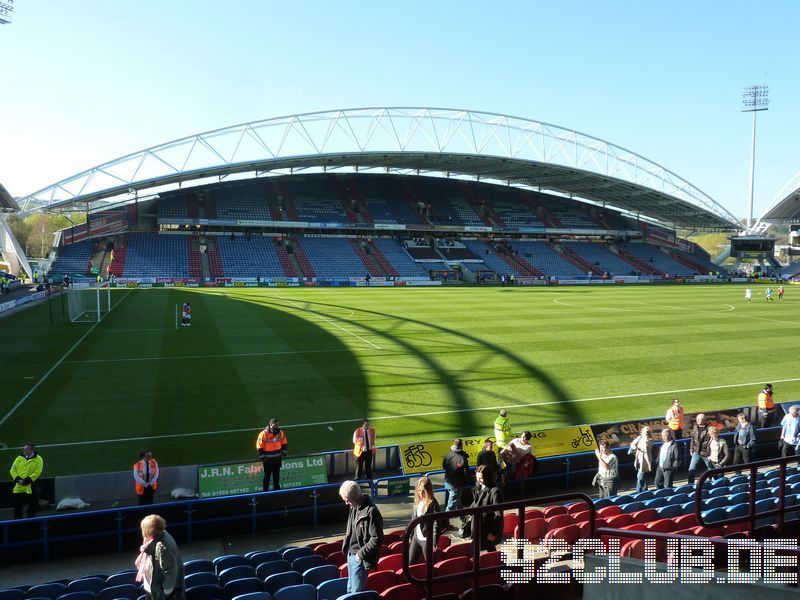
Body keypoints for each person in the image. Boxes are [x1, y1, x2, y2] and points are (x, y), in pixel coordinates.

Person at [339, 480, 384, 594]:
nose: (346, 503)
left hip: (360, 558)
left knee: (355, 593)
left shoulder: (371, 512)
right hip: (351, 554)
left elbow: (377, 539)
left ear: (355, 498)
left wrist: (360, 554)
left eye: (347, 500)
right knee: (350, 590)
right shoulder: (354, 506)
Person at [136, 514, 184, 600]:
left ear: (148, 530)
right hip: (153, 586)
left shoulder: (162, 546)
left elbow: (170, 570)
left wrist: (166, 592)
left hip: (160, 590)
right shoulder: (161, 534)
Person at [468, 464, 504, 551]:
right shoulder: (478, 487)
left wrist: (493, 532)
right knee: (485, 548)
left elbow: (498, 514)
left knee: (488, 548)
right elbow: (475, 502)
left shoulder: (495, 491)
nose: (479, 480)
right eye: (477, 478)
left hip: (487, 527)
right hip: (478, 525)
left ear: (488, 477)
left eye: (481, 478)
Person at [409, 476, 442, 565]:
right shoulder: (417, 502)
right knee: (410, 562)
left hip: (426, 539)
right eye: (419, 490)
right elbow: (413, 520)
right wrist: (410, 535)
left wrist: (434, 541)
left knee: (430, 564)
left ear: (428, 491)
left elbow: (436, 523)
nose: (420, 493)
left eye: (423, 491)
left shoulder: (433, 504)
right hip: (416, 537)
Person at [442, 439, 471, 534]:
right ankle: (443, 523)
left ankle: (463, 519)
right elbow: (466, 472)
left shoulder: (448, 454)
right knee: (451, 505)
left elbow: (444, 466)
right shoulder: (462, 458)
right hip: (457, 484)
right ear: (461, 446)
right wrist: (468, 481)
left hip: (448, 481)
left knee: (458, 502)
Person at [10, 443, 44, 519]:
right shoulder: (19, 458)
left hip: (31, 487)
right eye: (24, 449)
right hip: (18, 487)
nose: (24, 450)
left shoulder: (38, 459)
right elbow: (12, 470)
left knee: (32, 507)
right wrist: (18, 480)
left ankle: (30, 525)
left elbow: (37, 473)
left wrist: (25, 481)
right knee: (17, 507)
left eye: (26, 449)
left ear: (31, 450)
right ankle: (17, 524)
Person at [256, 418, 287, 491]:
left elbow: (284, 443)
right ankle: (265, 491)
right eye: (275, 424)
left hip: (277, 459)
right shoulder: (263, 434)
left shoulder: (280, 433)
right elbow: (259, 446)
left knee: (276, 476)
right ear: (270, 425)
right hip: (267, 460)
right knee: (267, 476)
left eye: (277, 424)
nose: (276, 426)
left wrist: (283, 453)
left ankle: (277, 491)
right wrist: (263, 457)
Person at [687, 414, 712, 485]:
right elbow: (693, 439)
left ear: (704, 420)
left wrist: (710, 452)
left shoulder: (709, 429)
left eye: (699, 419)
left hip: (705, 452)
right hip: (696, 451)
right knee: (691, 468)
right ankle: (690, 484)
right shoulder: (695, 427)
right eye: (697, 419)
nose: (697, 421)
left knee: (711, 468)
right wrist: (691, 449)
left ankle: (712, 482)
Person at [628, 425, 653, 492]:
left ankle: (638, 491)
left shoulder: (649, 441)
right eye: (645, 430)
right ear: (642, 432)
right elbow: (632, 444)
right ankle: (645, 491)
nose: (647, 432)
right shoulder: (639, 437)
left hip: (645, 461)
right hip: (638, 460)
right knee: (642, 477)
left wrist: (636, 448)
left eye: (648, 431)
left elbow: (645, 448)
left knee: (640, 477)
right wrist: (634, 446)